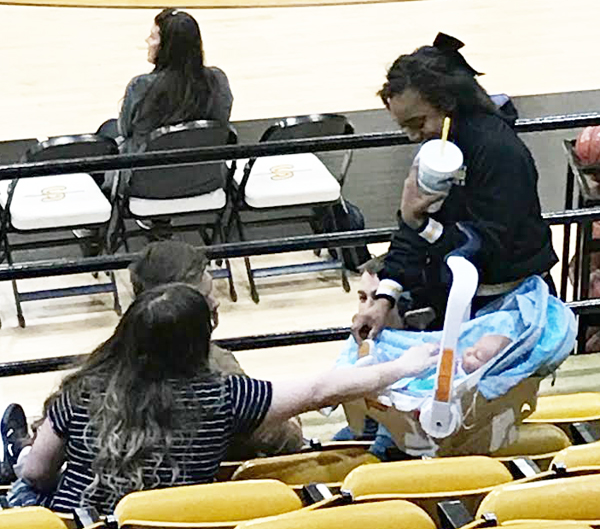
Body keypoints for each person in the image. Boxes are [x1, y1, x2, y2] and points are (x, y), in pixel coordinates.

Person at [17, 283, 438, 514]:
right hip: (176, 522)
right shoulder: (224, 396)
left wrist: (28, 462)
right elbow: (317, 391)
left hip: (78, 521)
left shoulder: (83, 389)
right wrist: (403, 366)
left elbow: (37, 472)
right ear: (201, 342)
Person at [352, 32, 558, 343]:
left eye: (418, 123)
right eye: (403, 126)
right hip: (457, 299)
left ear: (447, 104)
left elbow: (486, 248)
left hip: (510, 308)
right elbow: (412, 227)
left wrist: (423, 226)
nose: (412, 136)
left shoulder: (500, 153)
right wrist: (384, 298)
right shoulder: (438, 150)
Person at [128, 240, 304, 457]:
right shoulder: (218, 369)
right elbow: (281, 439)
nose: (215, 303)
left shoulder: (105, 367)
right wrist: (291, 422)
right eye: (205, 297)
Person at [118, 8, 233, 155]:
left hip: (147, 172)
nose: (147, 41)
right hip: (204, 170)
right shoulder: (218, 80)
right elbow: (222, 120)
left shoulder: (141, 86)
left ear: (167, 47)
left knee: (109, 130)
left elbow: (125, 130)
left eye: (153, 37)